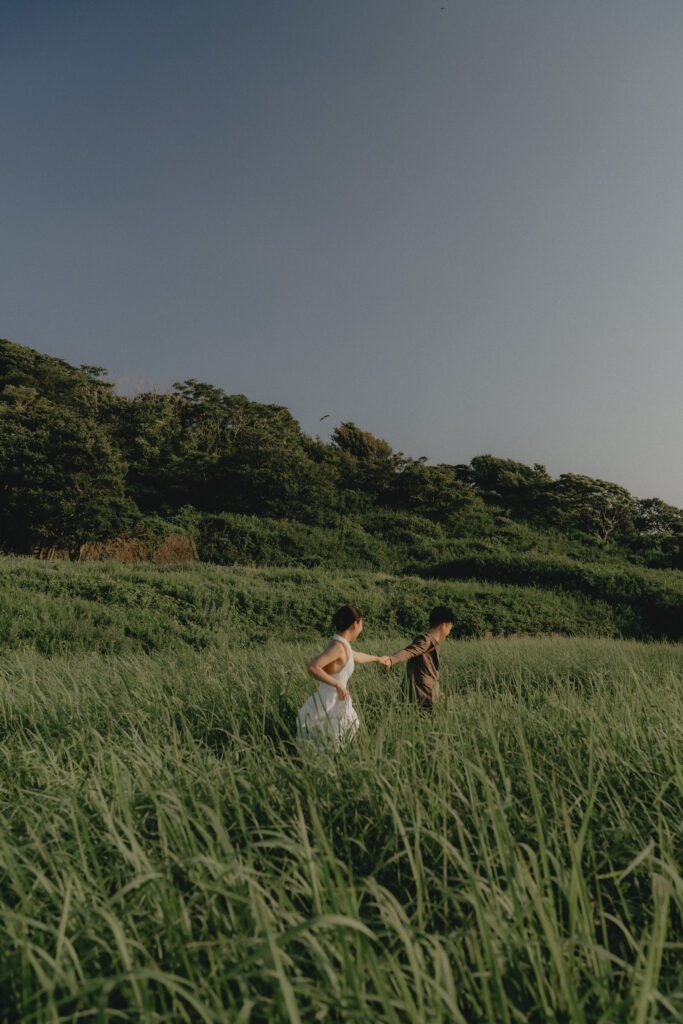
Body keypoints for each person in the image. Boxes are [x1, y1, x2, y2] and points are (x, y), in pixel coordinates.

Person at [296, 605, 391, 748]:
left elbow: (357, 656)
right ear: (355, 624)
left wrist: (378, 659)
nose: (361, 629)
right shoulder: (338, 647)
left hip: (338, 699)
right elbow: (313, 667)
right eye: (361, 625)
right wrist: (337, 684)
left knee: (338, 737)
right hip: (329, 700)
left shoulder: (343, 645)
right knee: (328, 740)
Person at [385, 606, 455, 709]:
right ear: (443, 626)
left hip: (427, 696)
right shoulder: (426, 640)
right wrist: (391, 660)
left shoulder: (433, 643)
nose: (448, 633)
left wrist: (439, 694)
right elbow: (409, 651)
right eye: (449, 629)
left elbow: (430, 673)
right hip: (420, 698)